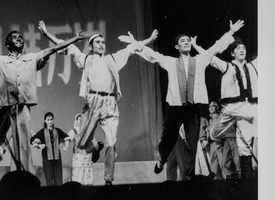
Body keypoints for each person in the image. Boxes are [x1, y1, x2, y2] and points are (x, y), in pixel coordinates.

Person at [0, 28, 86, 173]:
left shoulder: (32, 57)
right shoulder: (1, 60)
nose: (19, 39)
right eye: (14, 37)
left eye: (20, 37)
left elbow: (54, 48)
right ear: (8, 44)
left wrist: (74, 39)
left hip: (23, 105)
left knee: (23, 143)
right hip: (5, 104)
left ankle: (25, 174)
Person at [37, 20, 157, 185]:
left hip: (110, 103)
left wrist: (148, 39)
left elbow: (132, 49)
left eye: (103, 42)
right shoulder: (85, 59)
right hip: (93, 102)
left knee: (111, 144)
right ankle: (96, 147)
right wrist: (46, 33)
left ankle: (108, 180)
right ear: (91, 46)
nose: (101, 45)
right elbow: (64, 46)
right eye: (97, 42)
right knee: (81, 142)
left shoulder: (112, 59)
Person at [134, 20, 244, 178]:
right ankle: (162, 159)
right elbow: (152, 55)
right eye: (182, 41)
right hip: (175, 106)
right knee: (168, 138)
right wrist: (135, 45)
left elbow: (216, 47)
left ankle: (190, 177)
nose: (185, 42)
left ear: (190, 45)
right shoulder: (171, 62)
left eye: (187, 41)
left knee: (193, 142)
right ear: (177, 47)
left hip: (193, 106)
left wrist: (230, 32)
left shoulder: (201, 59)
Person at [194, 35, 257, 179]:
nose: (242, 50)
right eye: (238, 48)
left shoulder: (252, 66)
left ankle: (247, 180)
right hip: (230, 108)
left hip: (247, 108)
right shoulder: (227, 66)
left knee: (244, 146)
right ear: (232, 53)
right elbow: (209, 57)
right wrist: (196, 46)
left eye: (243, 48)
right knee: (214, 134)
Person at [30, 112, 70, 186]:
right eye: (48, 119)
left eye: (51, 119)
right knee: (49, 177)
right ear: (45, 121)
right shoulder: (42, 132)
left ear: (53, 120)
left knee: (58, 177)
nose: (50, 121)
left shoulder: (57, 130)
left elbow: (67, 137)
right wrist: (39, 145)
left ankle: (58, 193)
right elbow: (34, 141)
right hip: (47, 157)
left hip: (57, 157)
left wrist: (66, 145)